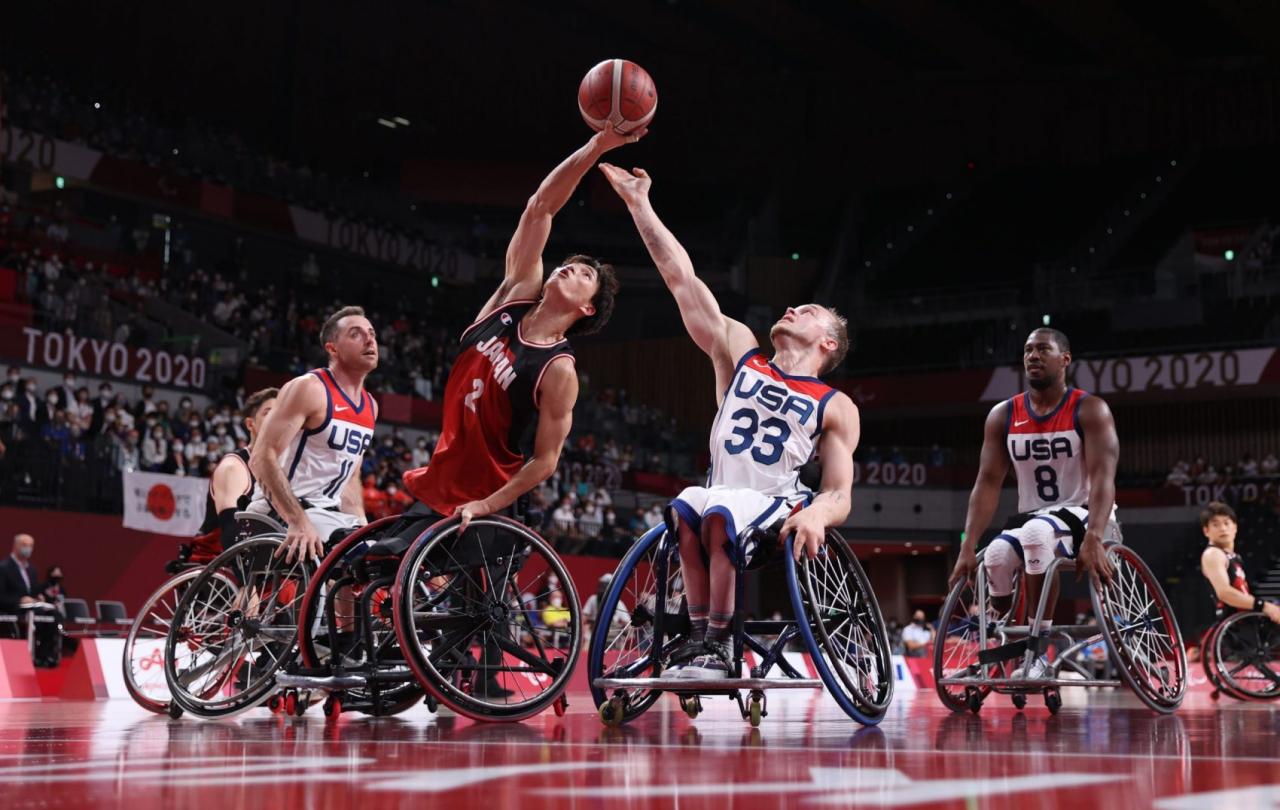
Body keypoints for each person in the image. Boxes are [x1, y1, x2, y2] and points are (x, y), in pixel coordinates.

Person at [600, 163, 859, 680]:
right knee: (691, 503)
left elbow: (839, 491)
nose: (791, 307)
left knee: (718, 509)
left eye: (806, 310)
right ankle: (700, 639)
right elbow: (681, 278)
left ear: (828, 343)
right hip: (719, 499)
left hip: (772, 510)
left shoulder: (837, 404)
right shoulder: (740, 351)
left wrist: (815, 516)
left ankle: (720, 646)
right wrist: (639, 204)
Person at [401, 123, 636, 530]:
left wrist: (488, 505)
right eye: (568, 264)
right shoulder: (514, 295)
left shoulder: (559, 370)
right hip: (442, 481)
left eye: (582, 274)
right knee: (364, 577)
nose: (567, 268)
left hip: (488, 499)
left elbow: (546, 461)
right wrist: (596, 146)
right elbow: (540, 207)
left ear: (587, 307)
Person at [950, 328, 1119, 680]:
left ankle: (1036, 654)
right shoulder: (1003, 414)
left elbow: (1105, 478)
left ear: (1065, 359)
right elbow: (987, 483)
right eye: (1028, 350)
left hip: (1084, 514)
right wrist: (967, 545)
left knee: (1037, 535)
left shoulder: (1090, 409)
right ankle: (998, 641)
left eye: (1043, 349)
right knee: (995, 555)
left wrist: (1095, 536)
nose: (1033, 356)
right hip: (1031, 517)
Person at [250, 307, 377, 562]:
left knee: (379, 561)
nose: (369, 339)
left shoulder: (370, 405)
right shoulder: (309, 388)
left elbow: (350, 477)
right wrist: (297, 519)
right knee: (357, 557)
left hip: (328, 515)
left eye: (372, 333)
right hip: (280, 510)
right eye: (356, 334)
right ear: (332, 349)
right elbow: (261, 457)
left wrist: (361, 523)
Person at [185, 388, 278, 562]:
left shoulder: (287, 468)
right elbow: (231, 531)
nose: (277, 419)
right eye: (269, 413)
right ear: (251, 424)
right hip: (216, 565)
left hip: (260, 562)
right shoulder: (233, 467)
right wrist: (247, 584)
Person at [1199, 501, 1280, 623]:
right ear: (1206, 531)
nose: (1223, 529)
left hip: (1242, 623)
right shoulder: (1213, 554)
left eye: (1226, 523)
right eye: (1216, 525)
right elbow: (1224, 593)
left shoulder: (1234, 556)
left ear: (1235, 527)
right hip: (1230, 628)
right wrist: (1264, 606)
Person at [0, 534, 60, 666]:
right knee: (38, 615)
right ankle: (27, 655)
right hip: (13, 609)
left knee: (54, 614)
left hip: (32, 608)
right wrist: (20, 600)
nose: (28, 549)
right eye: (24, 545)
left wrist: (38, 597)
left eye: (31, 546)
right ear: (15, 546)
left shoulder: (32, 570)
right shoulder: (4, 568)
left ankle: (45, 656)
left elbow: (32, 591)